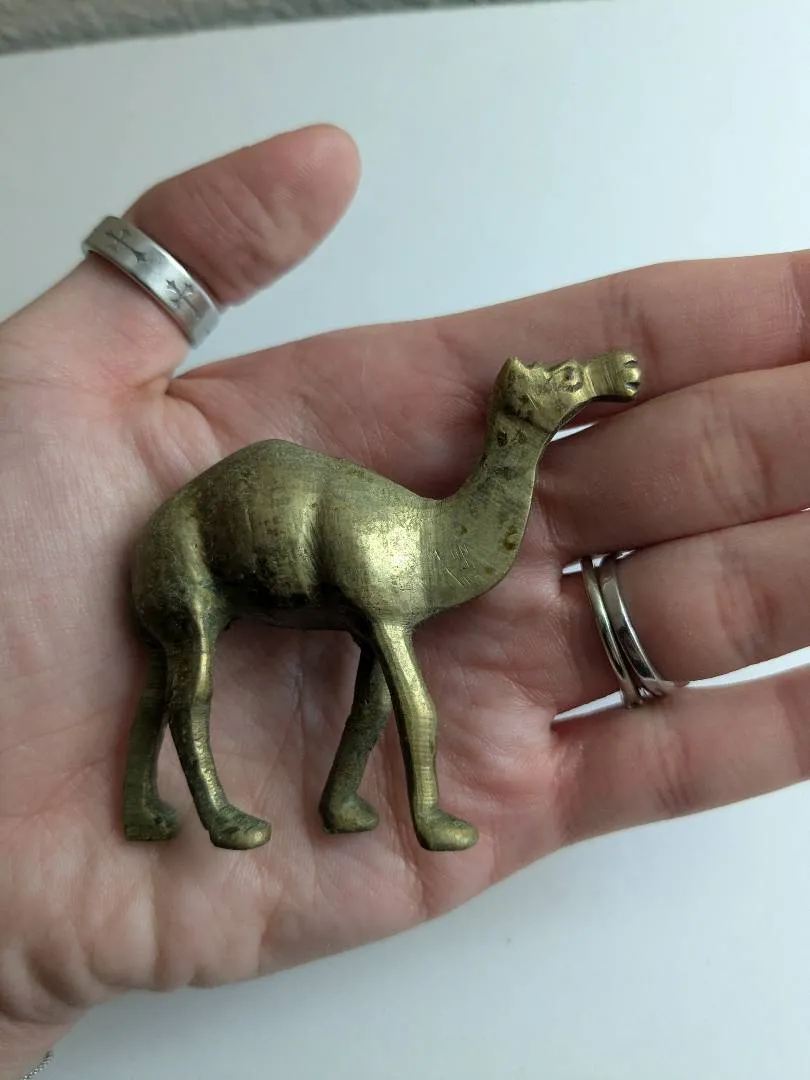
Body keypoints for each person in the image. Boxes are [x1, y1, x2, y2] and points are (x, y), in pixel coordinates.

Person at [1, 122, 808, 1079]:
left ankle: (340, 795)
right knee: (202, 679)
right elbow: (397, 672)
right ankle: (296, 805)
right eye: (562, 385)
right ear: (524, 408)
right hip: (197, 549)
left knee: (341, 671)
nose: (580, 387)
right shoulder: (388, 534)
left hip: (289, 536)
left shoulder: (407, 531)